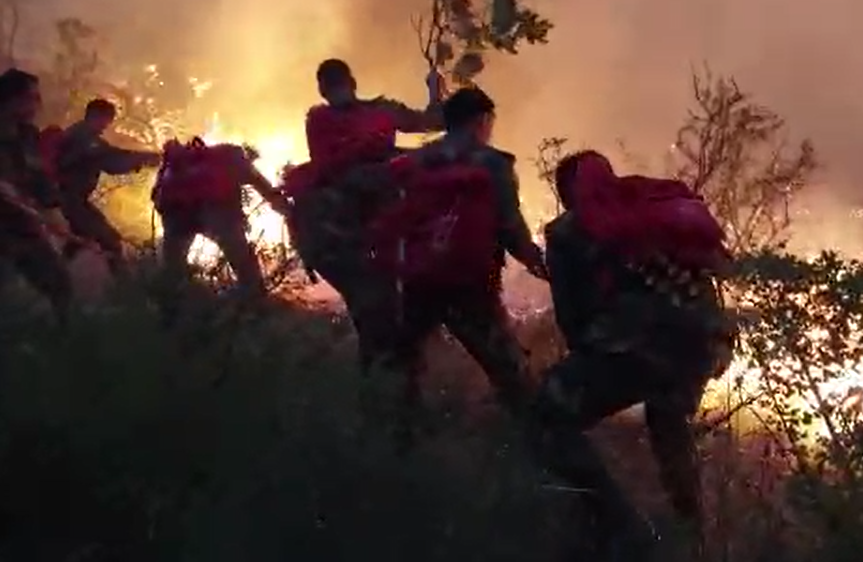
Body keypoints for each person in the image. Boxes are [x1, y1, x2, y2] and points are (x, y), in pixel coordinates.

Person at [529, 150, 733, 560]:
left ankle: (620, 527)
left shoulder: (567, 232)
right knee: (668, 424)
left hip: (636, 346)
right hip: (705, 341)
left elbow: (574, 322)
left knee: (546, 415)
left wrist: (594, 366)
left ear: (566, 192)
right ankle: (695, 540)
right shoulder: (653, 208)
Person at [363, 86, 547, 448]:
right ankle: (539, 445)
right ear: (482, 120)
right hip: (470, 282)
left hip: (418, 278)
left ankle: (394, 441)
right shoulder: (492, 163)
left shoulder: (417, 161)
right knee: (508, 369)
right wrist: (535, 261)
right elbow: (509, 224)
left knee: (406, 363)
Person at [283, 59, 447, 380]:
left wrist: (434, 90)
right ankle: (387, 380)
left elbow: (432, 122)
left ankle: (387, 379)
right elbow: (432, 123)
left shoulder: (355, 114)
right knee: (377, 310)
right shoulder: (338, 117)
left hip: (359, 225)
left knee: (378, 310)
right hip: (359, 227)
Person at [151, 136, 289, 325]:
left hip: (176, 213)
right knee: (244, 264)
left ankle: (168, 316)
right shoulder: (233, 158)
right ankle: (258, 310)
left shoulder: (179, 165)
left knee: (172, 269)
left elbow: (157, 197)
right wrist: (284, 207)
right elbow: (261, 185)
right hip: (213, 211)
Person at [0, 68, 75, 323]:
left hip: (20, 222)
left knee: (59, 283)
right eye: (32, 97)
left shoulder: (27, 135)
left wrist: (53, 210)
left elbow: (38, 177)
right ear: (11, 99)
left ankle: (67, 338)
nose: (37, 104)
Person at [55, 98, 161, 275]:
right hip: (71, 200)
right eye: (107, 119)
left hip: (71, 200)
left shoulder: (83, 136)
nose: (107, 126)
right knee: (111, 241)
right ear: (96, 115)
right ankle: (124, 286)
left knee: (78, 240)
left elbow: (112, 155)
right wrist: (144, 159)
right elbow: (112, 161)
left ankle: (57, 274)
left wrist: (143, 158)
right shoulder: (84, 139)